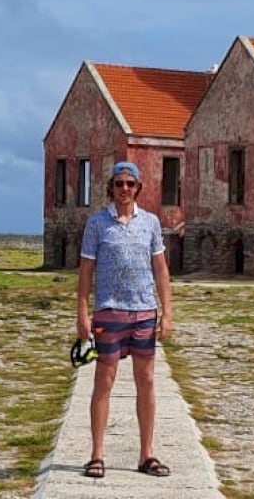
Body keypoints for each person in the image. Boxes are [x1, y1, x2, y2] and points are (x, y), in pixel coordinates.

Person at [76, 160, 173, 478]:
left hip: (144, 312)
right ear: (111, 187)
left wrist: (167, 312)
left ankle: (147, 454)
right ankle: (96, 455)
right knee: (104, 382)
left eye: (130, 184)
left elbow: (160, 269)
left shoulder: (151, 223)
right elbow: (86, 271)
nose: (124, 189)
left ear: (138, 188)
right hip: (109, 312)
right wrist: (82, 313)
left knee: (146, 382)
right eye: (119, 183)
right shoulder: (97, 224)